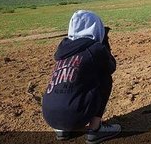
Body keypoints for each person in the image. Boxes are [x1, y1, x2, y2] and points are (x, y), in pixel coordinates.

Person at [42, 10, 121, 143]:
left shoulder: (63, 49)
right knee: (104, 78)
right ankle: (95, 130)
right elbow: (111, 67)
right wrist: (104, 44)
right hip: (76, 114)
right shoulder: (95, 49)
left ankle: (62, 130)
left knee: (65, 79)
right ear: (96, 27)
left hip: (49, 116)